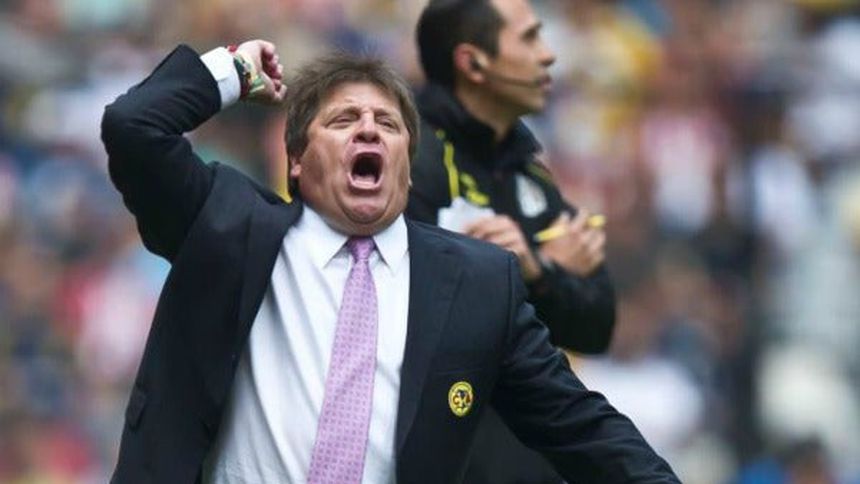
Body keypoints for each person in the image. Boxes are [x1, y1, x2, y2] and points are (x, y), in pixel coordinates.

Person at [100, 38, 678, 483]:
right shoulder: (227, 227)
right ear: (297, 161)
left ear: (407, 164)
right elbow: (134, 127)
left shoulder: (476, 283)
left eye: (388, 125)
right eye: (343, 120)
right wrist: (234, 70)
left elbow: (577, 425)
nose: (368, 131)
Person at [408, 0, 615, 482]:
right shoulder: (412, 159)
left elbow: (597, 325)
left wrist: (539, 272)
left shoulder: (532, 177)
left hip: (526, 457)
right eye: (529, 38)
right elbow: (407, 306)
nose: (548, 55)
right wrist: (522, 269)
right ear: (473, 63)